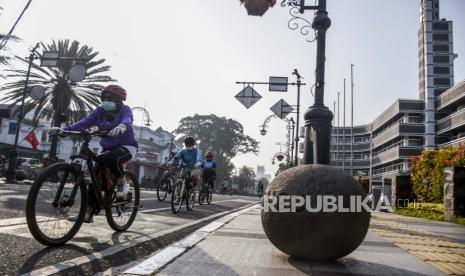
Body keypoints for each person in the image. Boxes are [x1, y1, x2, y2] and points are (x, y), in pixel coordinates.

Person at [50, 84, 137, 223]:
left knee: (112, 158)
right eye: (104, 97)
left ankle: (122, 182)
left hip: (126, 146)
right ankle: (88, 214)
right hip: (107, 148)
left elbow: (127, 119)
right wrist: (66, 130)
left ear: (119, 100)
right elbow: (85, 121)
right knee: (94, 179)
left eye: (110, 97)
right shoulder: (99, 111)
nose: (105, 100)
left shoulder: (125, 110)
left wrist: (122, 126)